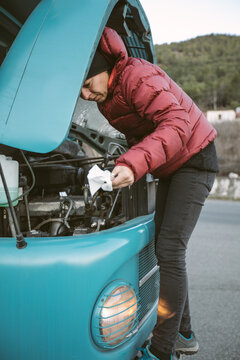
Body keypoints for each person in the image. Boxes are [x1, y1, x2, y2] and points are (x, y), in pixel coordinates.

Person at [81, 27, 218, 360]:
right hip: (171, 165)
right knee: (164, 247)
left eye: (87, 84)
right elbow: (141, 134)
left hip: (195, 158)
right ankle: (184, 333)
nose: (85, 95)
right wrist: (116, 165)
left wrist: (134, 163)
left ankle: (162, 350)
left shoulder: (136, 77)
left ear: (103, 67)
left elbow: (176, 123)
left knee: (170, 249)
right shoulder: (109, 96)